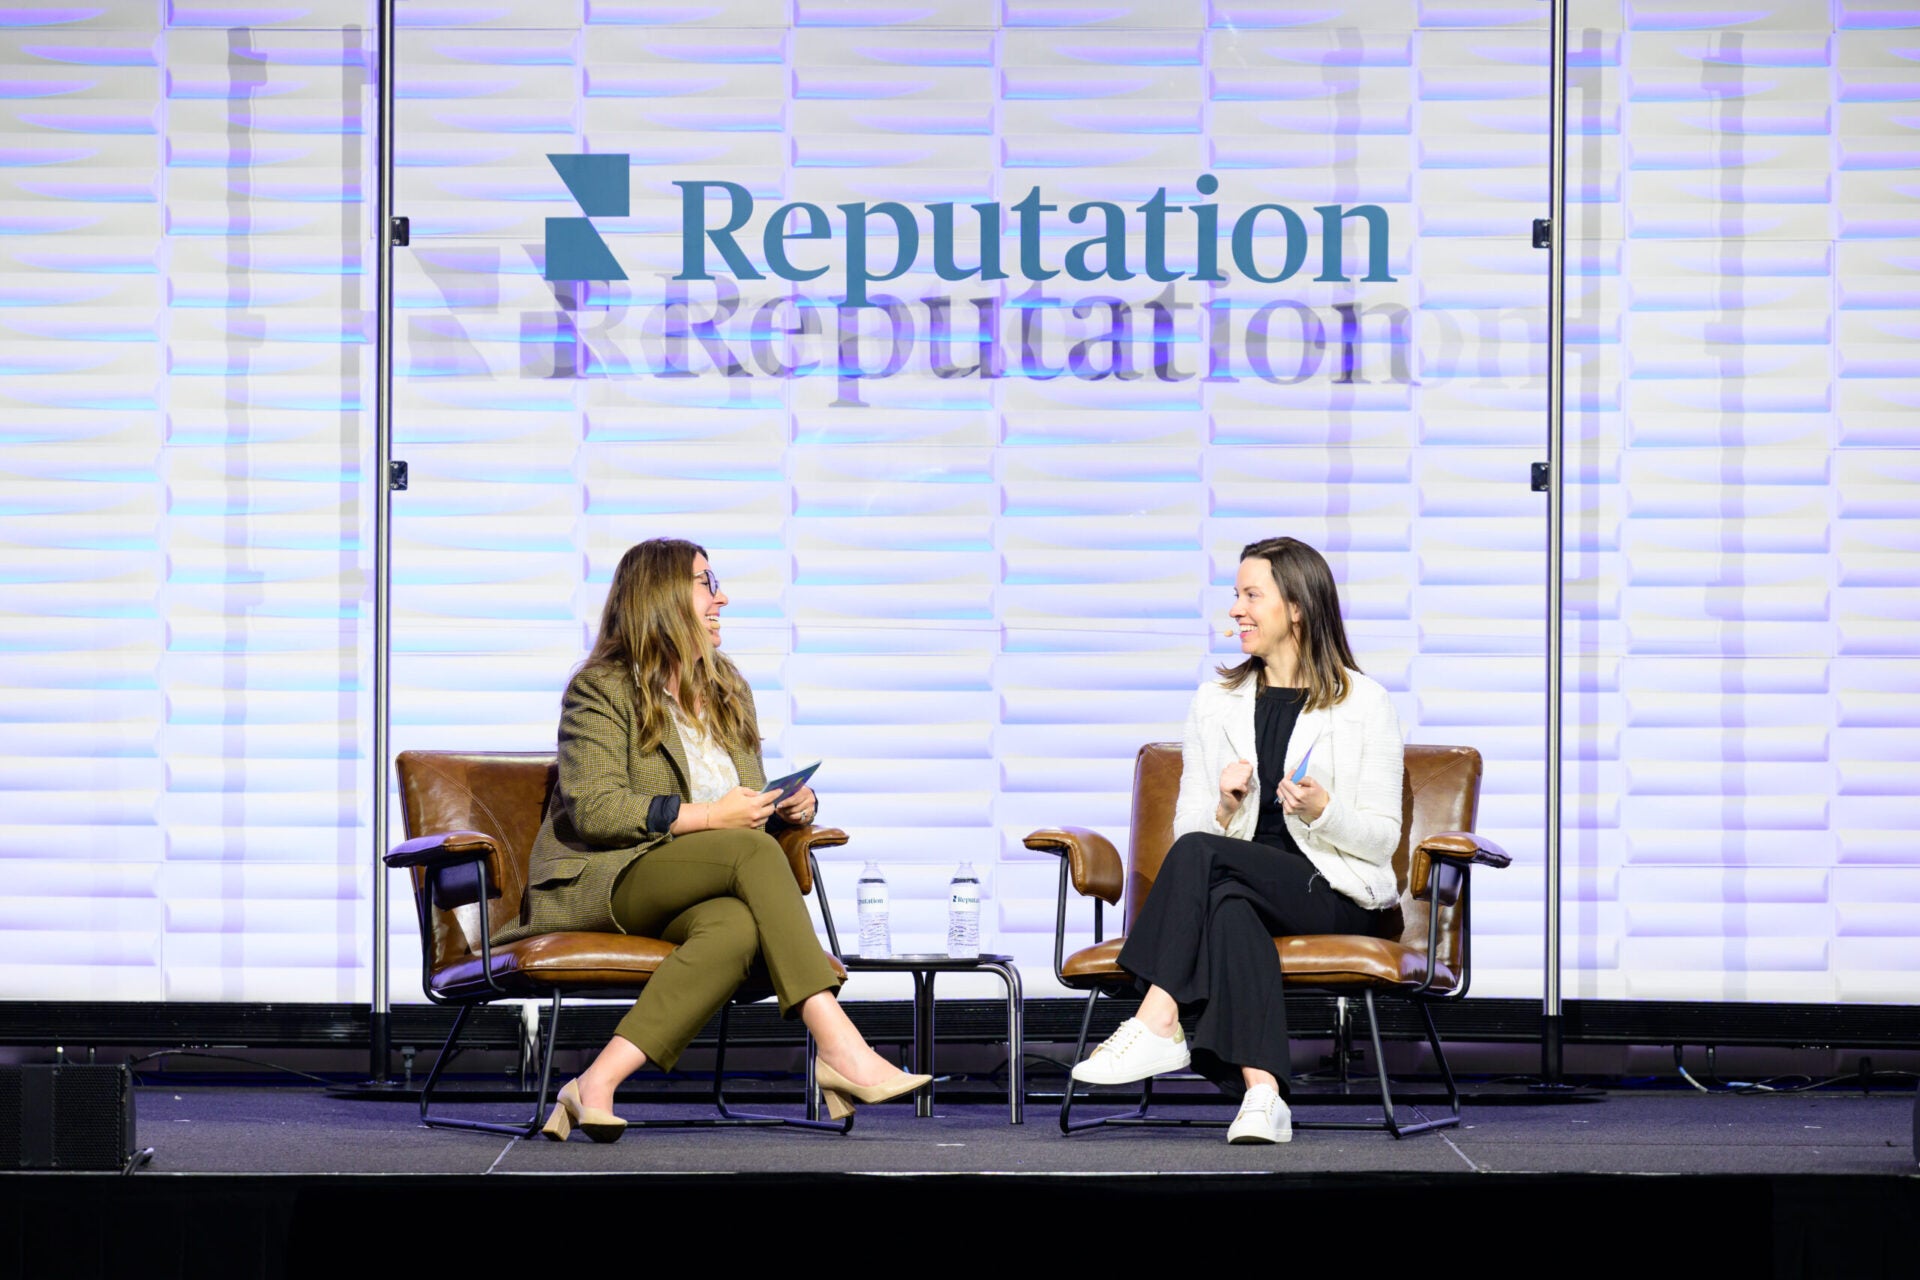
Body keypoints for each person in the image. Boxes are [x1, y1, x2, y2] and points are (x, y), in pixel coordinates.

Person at [495, 537, 929, 1141]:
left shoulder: (728, 687)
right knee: (748, 852)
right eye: (707, 584)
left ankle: (593, 1083)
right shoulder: (600, 688)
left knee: (736, 927)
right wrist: (709, 817)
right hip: (611, 875)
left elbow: (741, 811)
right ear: (663, 596)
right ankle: (839, 1045)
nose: (722, 598)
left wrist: (786, 809)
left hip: (701, 874)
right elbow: (594, 808)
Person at [1069, 537, 1406, 1144]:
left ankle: (1157, 1018)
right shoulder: (1213, 703)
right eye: (1236, 595)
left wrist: (1326, 812)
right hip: (1243, 884)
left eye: (1252, 595)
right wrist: (1225, 807)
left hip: (1332, 888)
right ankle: (1263, 1097)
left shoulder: (1365, 702)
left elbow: (1382, 841)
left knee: (1207, 863)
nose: (1236, 610)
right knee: (1226, 903)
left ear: (1296, 607)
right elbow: (1189, 834)